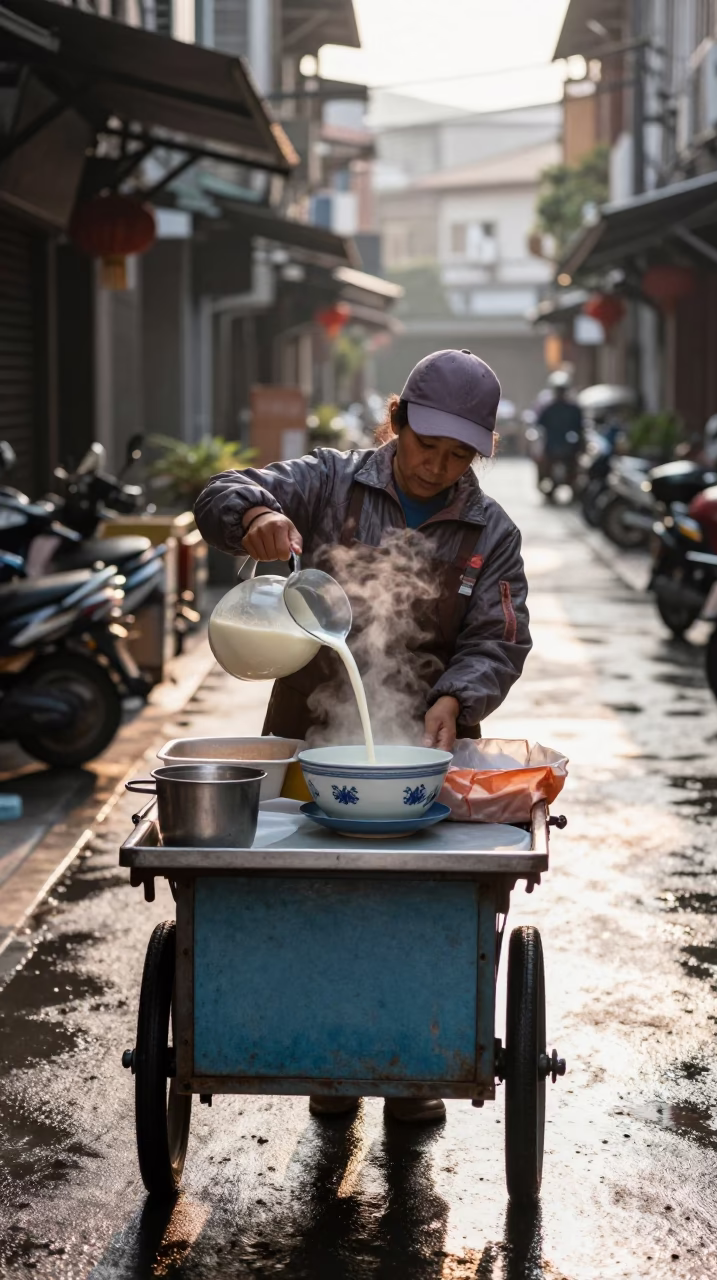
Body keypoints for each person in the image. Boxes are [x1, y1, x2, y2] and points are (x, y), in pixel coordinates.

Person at [195, 347, 532, 1125]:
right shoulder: (326, 484)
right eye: (427, 446)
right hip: (308, 742)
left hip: (425, 752)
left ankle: (416, 1054)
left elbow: (499, 638)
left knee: (418, 906)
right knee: (319, 893)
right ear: (398, 419)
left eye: (459, 455)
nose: (437, 467)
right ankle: (331, 1053)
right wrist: (257, 518)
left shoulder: (489, 531)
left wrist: (457, 695)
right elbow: (224, 489)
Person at [536, 370, 583, 494]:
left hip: (569, 446)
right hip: (552, 444)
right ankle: (544, 481)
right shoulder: (548, 408)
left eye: (562, 390)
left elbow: (580, 426)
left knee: (575, 464)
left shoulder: (573, 409)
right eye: (558, 390)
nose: (560, 393)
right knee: (543, 463)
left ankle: (573, 484)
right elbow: (539, 424)